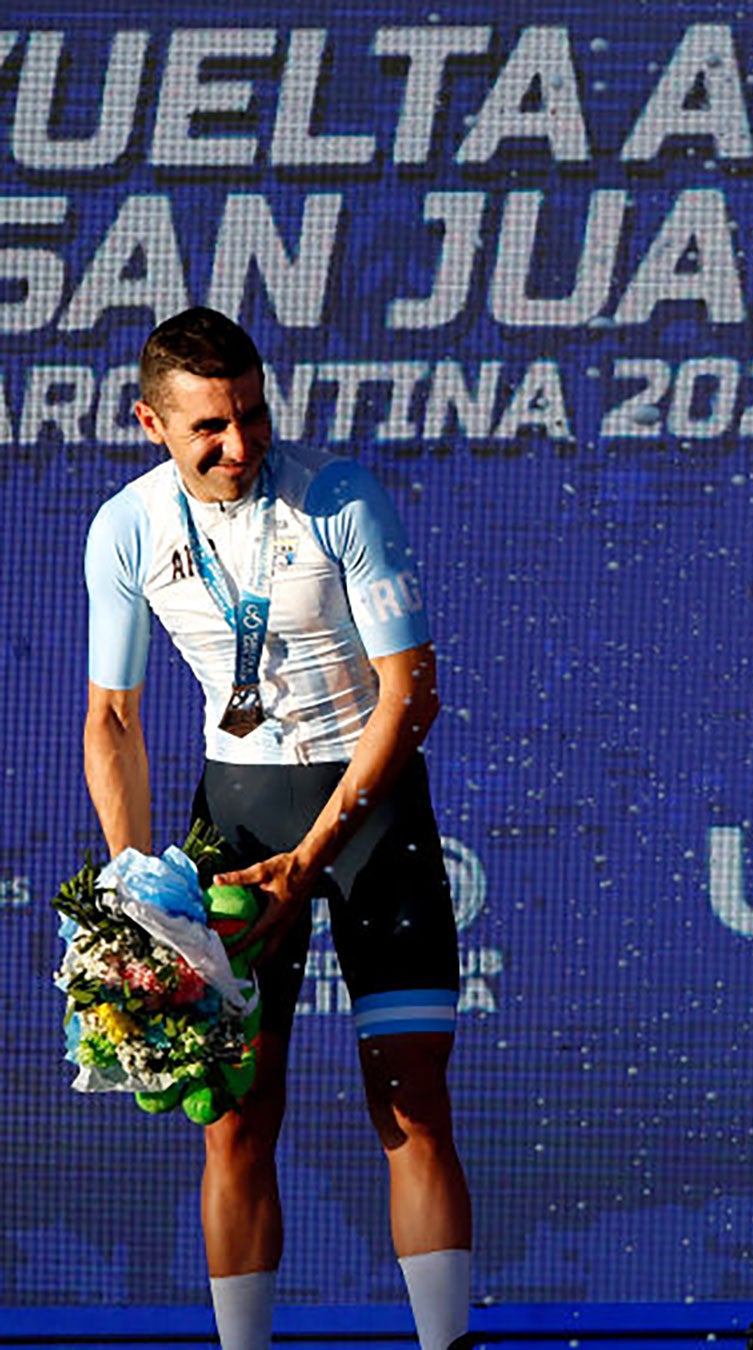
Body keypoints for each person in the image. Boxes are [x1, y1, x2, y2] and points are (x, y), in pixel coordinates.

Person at [83, 307, 470, 1350]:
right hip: (236, 813)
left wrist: (312, 858)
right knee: (234, 1118)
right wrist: (132, 886)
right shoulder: (126, 527)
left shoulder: (337, 497)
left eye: (252, 415)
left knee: (411, 1101)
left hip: (371, 807)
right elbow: (113, 717)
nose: (240, 446)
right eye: (210, 426)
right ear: (151, 423)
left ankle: (449, 1348)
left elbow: (412, 691)